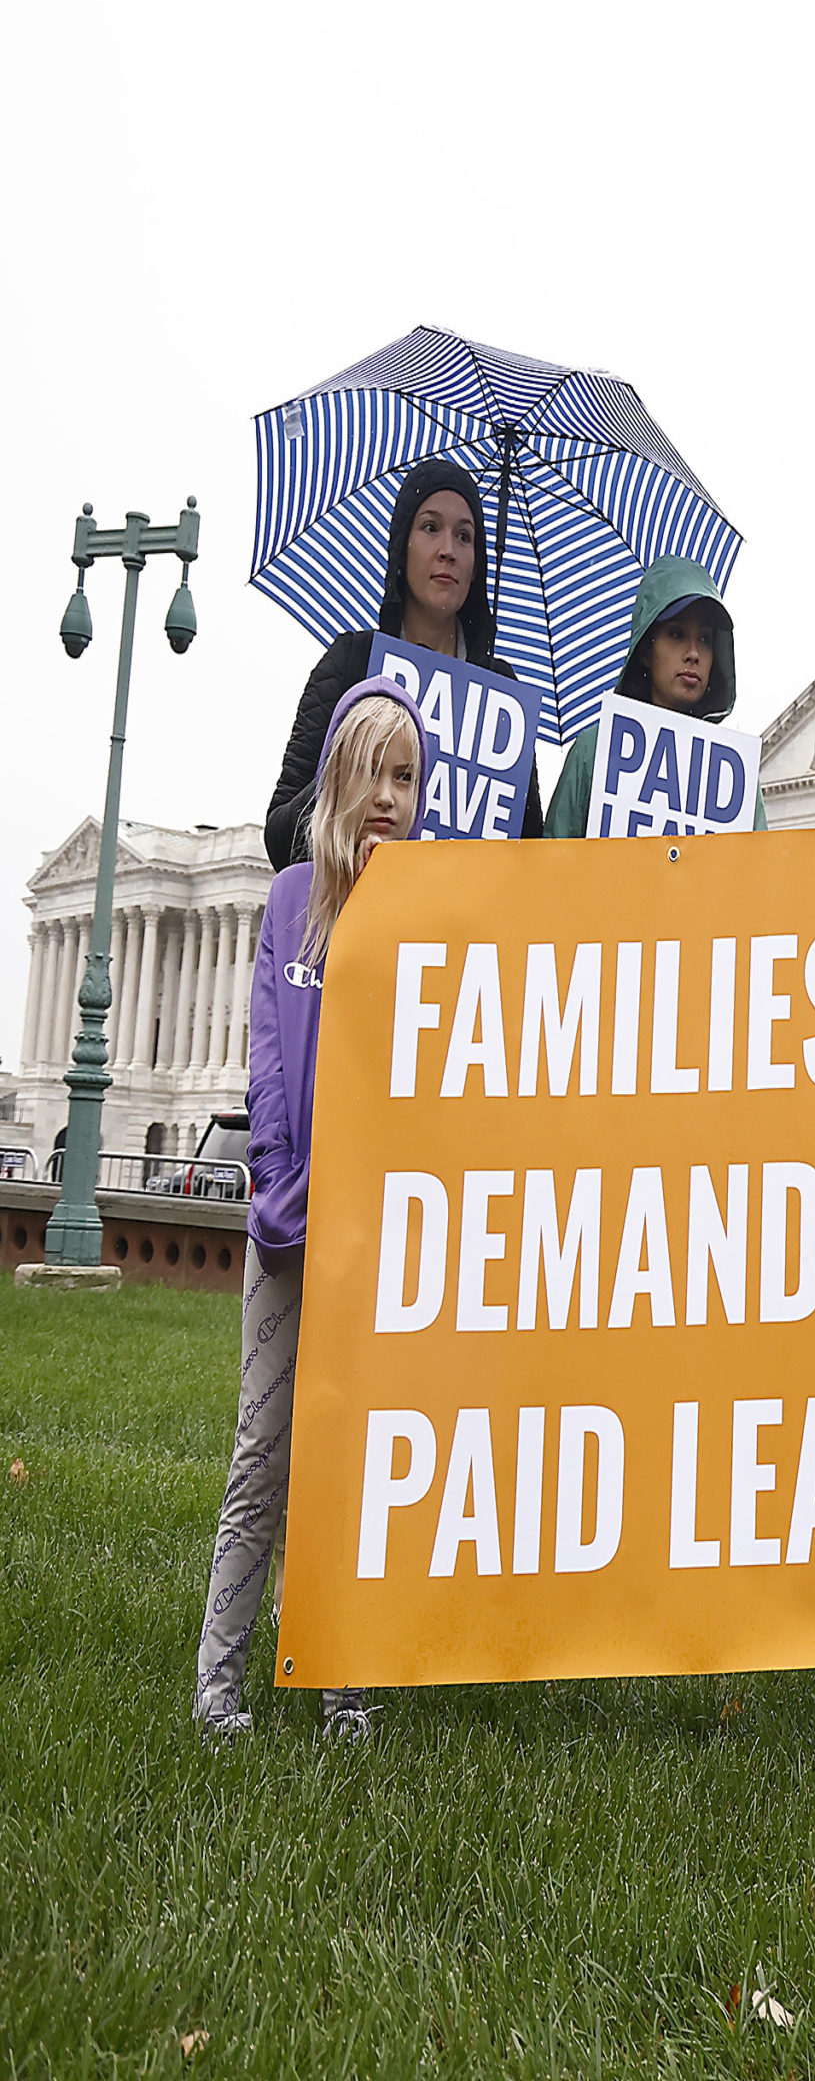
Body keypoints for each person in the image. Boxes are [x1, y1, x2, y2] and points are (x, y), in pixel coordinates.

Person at [196, 676, 426, 1740]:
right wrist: (287, 1196)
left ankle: (343, 1681)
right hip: (289, 1232)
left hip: (382, 1242)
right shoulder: (291, 900)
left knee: (354, 1459)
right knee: (264, 1452)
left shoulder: (431, 909)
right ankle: (219, 1684)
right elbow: (269, 1067)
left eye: (407, 774)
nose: (387, 794)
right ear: (334, 775)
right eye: (371, 769)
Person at [263, 456, 542, 868]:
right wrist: (347, 777)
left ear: (478, 561)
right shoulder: (352, 664)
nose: (448, 550)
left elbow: (531, 854)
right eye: (431, 528)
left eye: (465, 537)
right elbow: (280, 839)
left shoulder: (501, 692)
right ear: (402, 545)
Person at [540, 557, 768, 837]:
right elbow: (552, 870)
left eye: (706, 639)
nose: (693, 653)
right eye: (676, 634)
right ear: (646, 650)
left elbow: (757, 877)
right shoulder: (593, 751)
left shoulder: (735, 778)